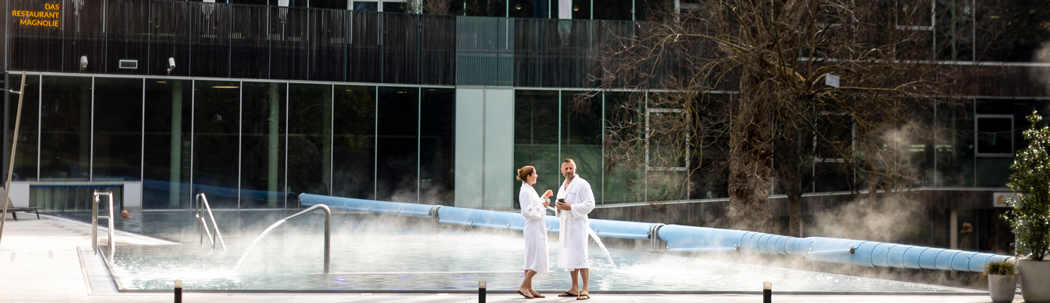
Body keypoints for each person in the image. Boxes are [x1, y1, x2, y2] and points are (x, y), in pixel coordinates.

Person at [554, 159, 595, 300]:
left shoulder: (582, 184)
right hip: (566, 225)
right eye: (566, 168)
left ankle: (585, 289)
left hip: (578, 224)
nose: (568, 171)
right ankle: (574, 288)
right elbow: (560, 204)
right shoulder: (563, 186)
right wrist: (558, 207)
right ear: (562, 171)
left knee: (581, 255)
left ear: (575, 168)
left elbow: (590, 204)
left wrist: (571, 207)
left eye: (571, 168)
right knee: (570, 256)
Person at [516, 165, 553, 299]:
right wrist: (542, 206)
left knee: (530, 258)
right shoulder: (525, 191)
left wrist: (543, 197)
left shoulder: (529, 189)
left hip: (535, 226)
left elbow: (535, 205)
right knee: (538, 258)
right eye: (535, 174)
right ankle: (523, 286)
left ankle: (529, 289)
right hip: (533, 227)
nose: (537, 175)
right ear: (528, 176)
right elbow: (527, 211)